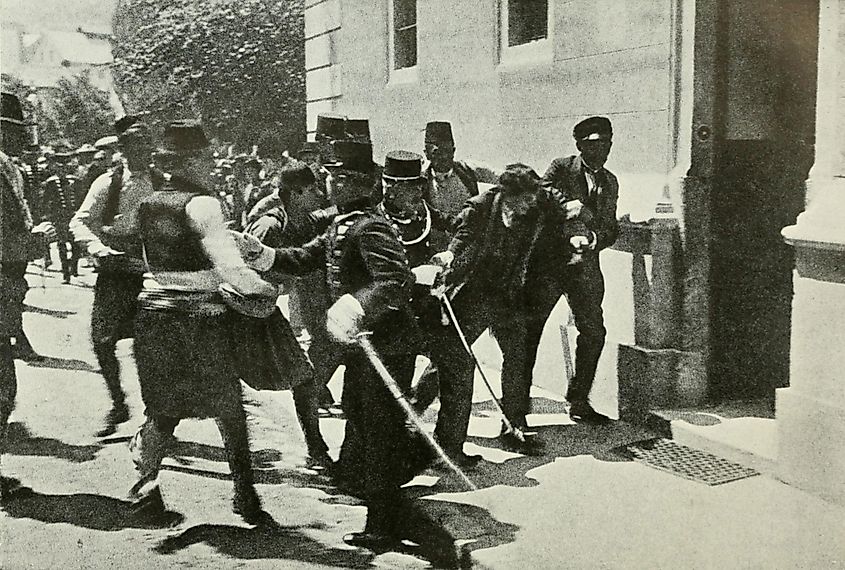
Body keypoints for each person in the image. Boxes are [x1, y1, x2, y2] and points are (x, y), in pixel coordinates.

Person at [232, 140, 449, 555]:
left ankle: (382, 523)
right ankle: (386, 483)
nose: (327, 183)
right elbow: (304, 259)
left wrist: (355, 304)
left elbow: (394, 281)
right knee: (361, 419)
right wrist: (260, 253)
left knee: (377, 430)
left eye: (333, 177)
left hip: (387, 346)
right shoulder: (344, 223)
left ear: (353, 182)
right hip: (363, 346)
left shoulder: (371, 226)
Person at [128, 120, 279, 526]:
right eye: (206, 157)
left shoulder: (148, 202)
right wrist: (264, 289)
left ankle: (144, 488)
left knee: (162, 408)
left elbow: (146, 258)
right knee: (229, 408)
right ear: (189, 162)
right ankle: (245, 496)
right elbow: (229, 267)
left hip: (153, 311)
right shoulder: (204, 205)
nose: (212, 165)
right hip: (200, 316)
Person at [428, 163, 592, 456]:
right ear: (508, 195)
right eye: (526, 199)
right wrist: (449, 255)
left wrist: (576, 233)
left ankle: (513, 425)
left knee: (518, 356)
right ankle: (415, 408)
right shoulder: (481, 207)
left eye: (534, 198)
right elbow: (462, 236)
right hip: (474, 294)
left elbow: (567, 210)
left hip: (508, 295)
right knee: (450, 358)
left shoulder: (535, 204)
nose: (532, 204)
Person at [70, 115, 154, 437]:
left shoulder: (163, 181)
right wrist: (98, 249)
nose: (141, 153)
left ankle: (155, 417)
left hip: (151, 271)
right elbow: (79, 221)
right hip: (115, 271)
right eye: (134, 146)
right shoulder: (108, 183)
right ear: (123, 149)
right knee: (102, 340)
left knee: (149, 346)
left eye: (145, 145)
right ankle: (118, 402)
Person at [540, 116, 620, 424]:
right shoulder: (561, 168)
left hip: (585, 269)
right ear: (580, 145)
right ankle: (514, 413)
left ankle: (578, 400)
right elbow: (542, 193)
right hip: (550, 266)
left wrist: (594, 237)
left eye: (607, 143)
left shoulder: (610, 181)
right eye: (595, 143)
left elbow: (610, 228)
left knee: (594, 333)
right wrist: (570, 207)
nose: (603, 149)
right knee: (528, 331)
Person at [1, 92, 56, 500]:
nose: (22, 140)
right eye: (15, 132)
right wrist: (34, 241)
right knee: (3, 382)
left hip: (6, 287)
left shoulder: (8, 170)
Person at [41, 147, 83, 283]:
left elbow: (81, 197)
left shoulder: (75, 181)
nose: (63, 168)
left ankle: (73, 265)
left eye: (65, 164)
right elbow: (46, 200)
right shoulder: (51, 182)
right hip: (59, 217)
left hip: (73, 216)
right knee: (61, 245)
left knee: (76, 244)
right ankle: (66, 273)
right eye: (60, 165)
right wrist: (47, 215)